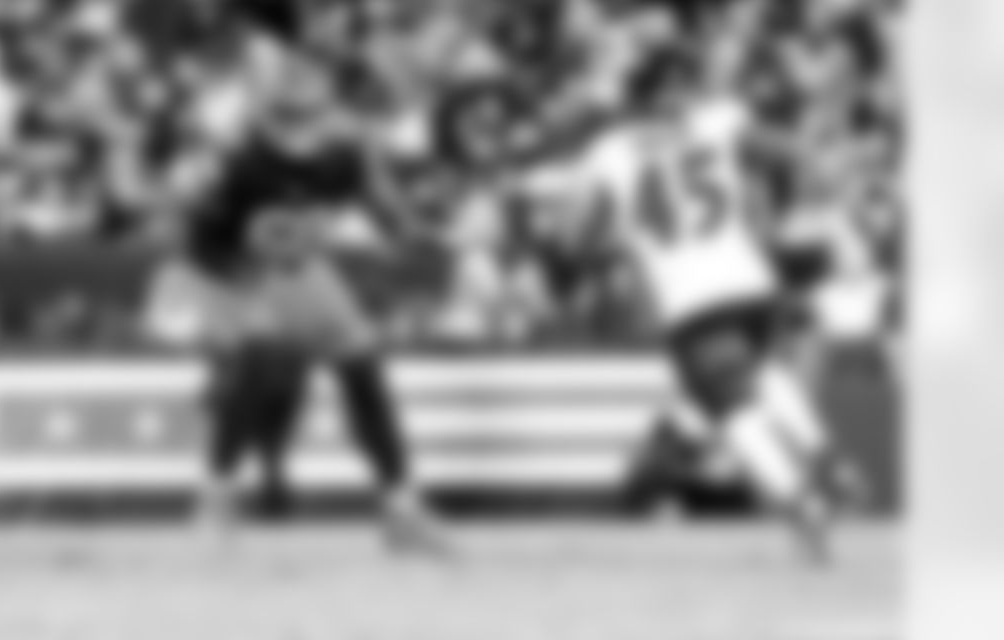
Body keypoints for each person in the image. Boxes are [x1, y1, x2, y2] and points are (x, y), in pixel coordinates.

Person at [510, 52, 843, 561]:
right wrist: (788, 209)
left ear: (634, 98)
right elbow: (790, 154)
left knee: (732, 408)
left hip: (689, 298)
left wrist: (582, 252)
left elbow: (577, 238)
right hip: (751, 282)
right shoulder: (719, 120)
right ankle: (820, 450)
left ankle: (798, 499)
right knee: (757, 373)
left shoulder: (610, 152)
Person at [167, 53, 451, 556]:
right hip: (233, 270)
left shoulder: (343, 155)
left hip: (301, 267)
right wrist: (235, 289)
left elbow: (387, 213)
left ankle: (400, 506)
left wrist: (418, 230)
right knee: (261, 354)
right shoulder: (240, 162)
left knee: (363, 365)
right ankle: (217, 496)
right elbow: (198, 237)